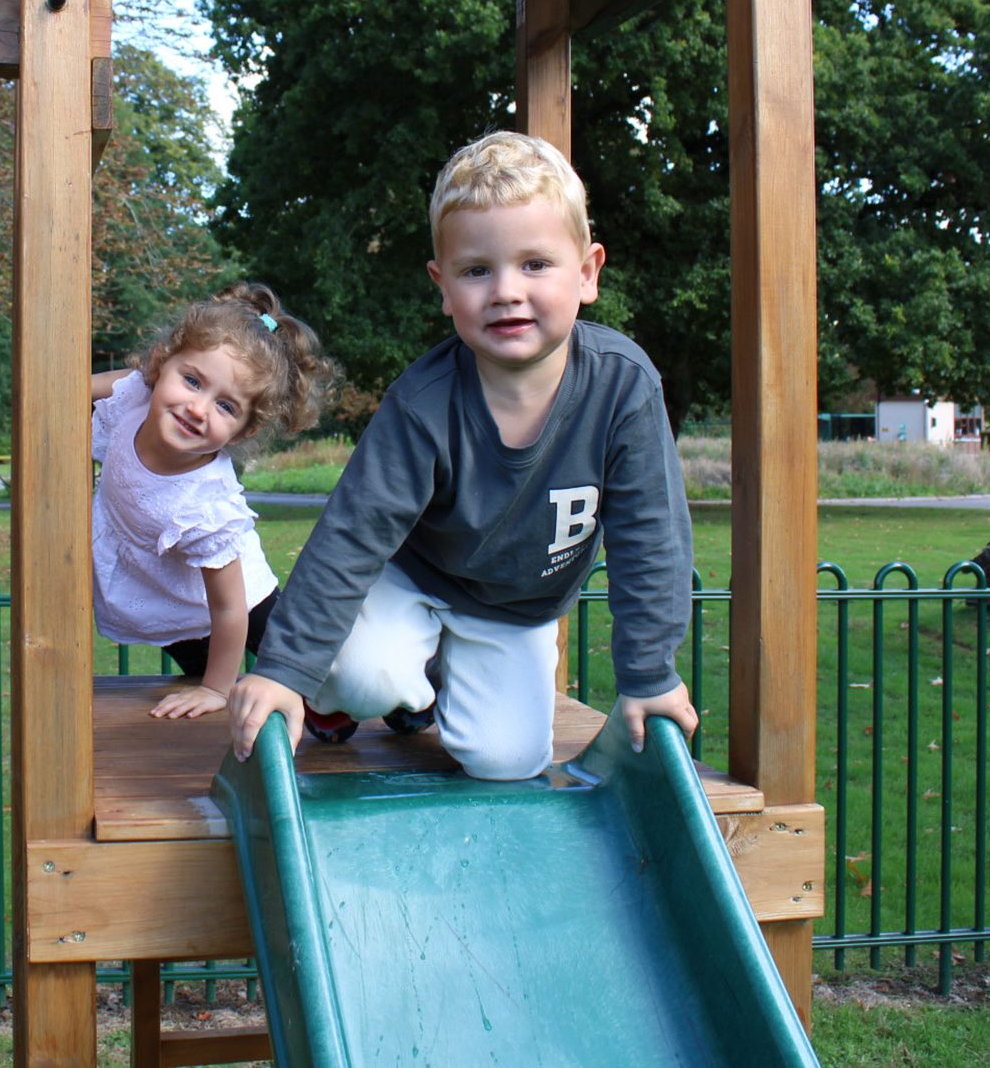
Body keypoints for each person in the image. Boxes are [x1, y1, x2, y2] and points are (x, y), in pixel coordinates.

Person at [228, 131, 697, 780]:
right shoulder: (425, 402)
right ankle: (345, 694)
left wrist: (649, 674)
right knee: (368, 673)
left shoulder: (623, 387)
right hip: (415, 579)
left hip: (515, 609)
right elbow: (351, 535)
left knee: (508, 761)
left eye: (535, 264)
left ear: (587, 272)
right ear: (443, 286)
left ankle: (433, 688)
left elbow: (652, 540)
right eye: (478, 270)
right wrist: (283, 669)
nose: (506, 289)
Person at [91, 283, 334, 720]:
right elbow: (70, 389)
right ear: (158, 366)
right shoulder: (132, 397)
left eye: (225, 405)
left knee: (303, 668)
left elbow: (229, 607)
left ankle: (361, 701)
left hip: (244, 600)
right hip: (170, 595)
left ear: (242, 432)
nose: (198, 408)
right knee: (195, 671)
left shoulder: (205, 504)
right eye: (191, 381)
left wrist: (216, 691)